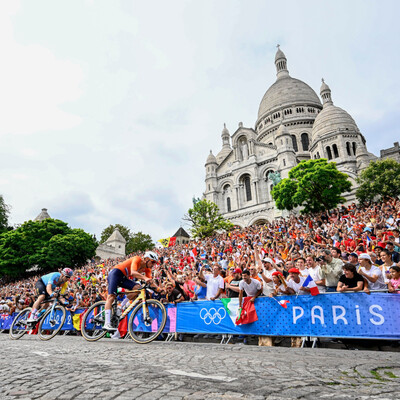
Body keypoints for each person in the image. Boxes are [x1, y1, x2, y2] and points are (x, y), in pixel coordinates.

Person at [103, 251, 158, 331]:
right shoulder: (137, 259)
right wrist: (145, 278)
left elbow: (151, 282)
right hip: (116, 273)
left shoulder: (148, 270)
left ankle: (121, 306)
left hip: (124, 278)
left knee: (138, 288)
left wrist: (159, 289)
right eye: (153, 262)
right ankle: (106, 323)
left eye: (155, 263)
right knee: (111, 297)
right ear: (146, 259)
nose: (153, 265)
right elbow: (133, 272)